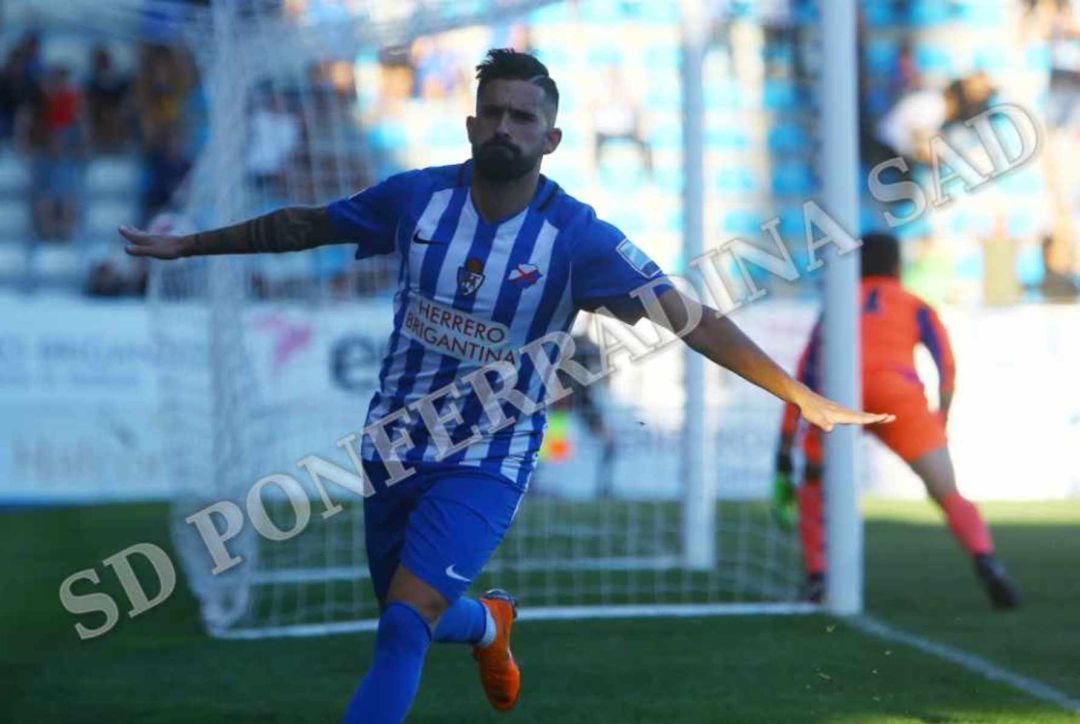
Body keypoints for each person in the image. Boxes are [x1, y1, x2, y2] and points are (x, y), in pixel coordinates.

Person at [120, 49, 891, 724]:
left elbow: (691, 316)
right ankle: (489, 625)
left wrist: (797, 394)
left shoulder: (579, 239)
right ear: (469, 125)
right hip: (392, 441)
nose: (504, 126)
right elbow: (304, 225)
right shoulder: (416, 199)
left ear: (550, 140)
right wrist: (188, 245)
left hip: (490, 452)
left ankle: (474, 625)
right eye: (491, 112)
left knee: (399, 628)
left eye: (522, 117)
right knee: (408, 613)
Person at [771, 232, 1022, 610]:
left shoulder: (836, 307)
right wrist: (941, 420)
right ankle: (986, 561)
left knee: (813, 482)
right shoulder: (914, 304)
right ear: (896, 266)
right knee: (947, 491)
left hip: (843, 394)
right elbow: (946, 367)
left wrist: (787, 443)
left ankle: (817, 576)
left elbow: (806, 371)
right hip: (899, 396)